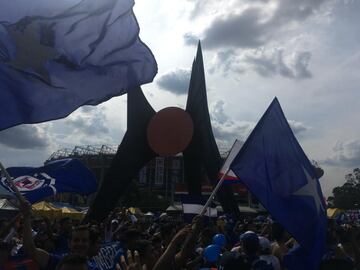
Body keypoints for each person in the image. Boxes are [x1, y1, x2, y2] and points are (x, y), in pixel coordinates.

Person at [18, 196, 99, 270]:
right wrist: (26, 217)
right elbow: (31, 250)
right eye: (76, 240)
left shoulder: (94, 268)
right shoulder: (58, 261)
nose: (80, 243)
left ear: (89, 244)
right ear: (69, 243)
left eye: (84, 240)